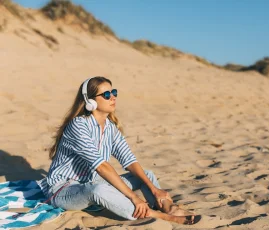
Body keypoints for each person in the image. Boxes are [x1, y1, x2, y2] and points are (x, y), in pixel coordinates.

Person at [41, 76, 200, 225]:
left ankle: (168, 208)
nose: (113, 97)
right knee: (98, 189)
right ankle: (157, 215)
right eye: (107, 94)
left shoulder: (110, 128)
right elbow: (102, 167)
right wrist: (132, 197)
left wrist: (154, 189)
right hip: (64, 190)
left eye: (114, 92)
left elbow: (129, 160)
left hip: (92, 181)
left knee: (147, 176)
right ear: (90, 101)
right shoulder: (78, 125)